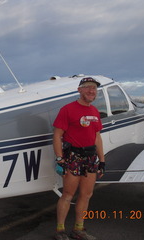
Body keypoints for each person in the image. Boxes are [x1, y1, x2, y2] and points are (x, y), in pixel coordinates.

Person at [53, 77, 105, 240]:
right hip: (73, 157)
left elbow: (97, 137)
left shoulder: (95, 111)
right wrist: (60, 159)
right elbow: (57, 135)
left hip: (90, 158)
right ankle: (60, 231)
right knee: (68, 194)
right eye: (88, 87)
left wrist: (102, 161)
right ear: (79, 90)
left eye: (94, 89)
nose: (91, 91)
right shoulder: (67, 109)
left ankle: (78, 230)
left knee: (86, 194)